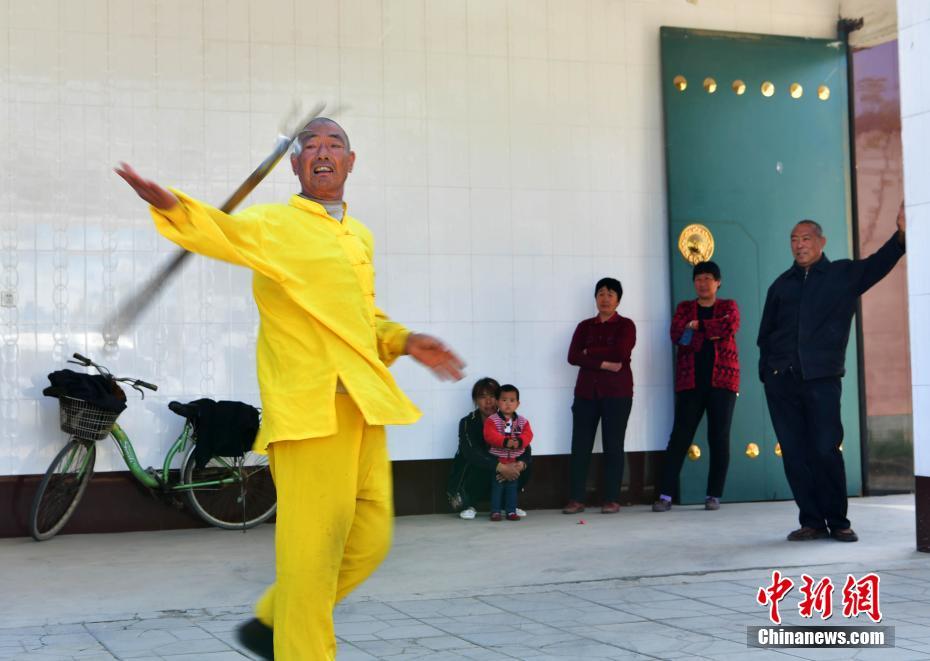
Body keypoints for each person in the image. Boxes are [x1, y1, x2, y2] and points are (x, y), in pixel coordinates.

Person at [115, 117, 464, 660]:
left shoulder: (358, 235)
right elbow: (222, 232)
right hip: (310, 416)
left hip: (365, 406)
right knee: (312, 559)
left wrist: (405, 339)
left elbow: (362, 318)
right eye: (310, 146)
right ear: (296, 165)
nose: (323, 152)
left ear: (351, 161)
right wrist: (172, 206)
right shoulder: (275, 225)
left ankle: (272, 622)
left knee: (370, 543)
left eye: (334, 144)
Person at [758, 206, 906, 543]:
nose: (799, 245)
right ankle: (811, 521)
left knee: (825, 449)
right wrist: (769, 374)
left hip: (822, 380)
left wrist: (900, 236)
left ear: (821, 242)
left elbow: (878, 264)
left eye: (806, 238)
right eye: (794, 239)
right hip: (782, 383)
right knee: (794, 453)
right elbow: (765, 335)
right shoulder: (780, 286)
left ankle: (838, 521)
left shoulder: (842, 275)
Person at [653, 261, 740, 512]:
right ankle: (665, 495)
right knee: (680, 437)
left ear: (718, 282)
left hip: (723, 382)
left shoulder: (728, 306)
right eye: (698, 279)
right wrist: (709, 331)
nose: (703, 284)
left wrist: (698, 326)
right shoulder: (684, 308)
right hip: (690, 382)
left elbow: (729, 326)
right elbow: (677, 336)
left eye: (708, 278)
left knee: (719, 437)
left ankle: (714, 495)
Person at [563, 277, 636, 514]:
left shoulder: (626, 325)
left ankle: (611, 498)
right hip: (586, 392)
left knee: (613, 445)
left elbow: (621, 353)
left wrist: (589, 353)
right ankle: (576, 499)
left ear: (618, 300)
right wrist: (604, 364)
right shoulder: (584, 326)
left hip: (617, 393)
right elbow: (572, 356)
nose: (605, 299)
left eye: (610, 294)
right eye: (601, 294)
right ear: (595, 298)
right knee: (580, 445)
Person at [446, 378, 531, 520]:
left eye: (492, 396)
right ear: (475, 400)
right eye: (482, 397)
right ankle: (470, 504)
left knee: (524, 462)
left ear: (498, 399)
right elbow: (471, 452)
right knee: (480, 461)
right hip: (477, 474)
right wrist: (501, 468)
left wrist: (519, 465)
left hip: (503, 470)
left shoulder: (514, 421)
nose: (488, 401)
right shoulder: (468, 422)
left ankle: (508, 506)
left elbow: (525, 447)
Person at [483, 384, 534, 521]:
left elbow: (528, 435)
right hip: (498, 460)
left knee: (512, 487)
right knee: (497, 487)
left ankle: (511, 511)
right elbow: (489, 435)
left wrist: (520, 441)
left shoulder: (523, 421)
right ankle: (495, 511)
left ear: (518, 404)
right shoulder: (492, 420)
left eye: (512, 400)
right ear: (497, 402)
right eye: (504, 400)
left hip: (514, 462)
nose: (508, 404)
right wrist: (505, 442)